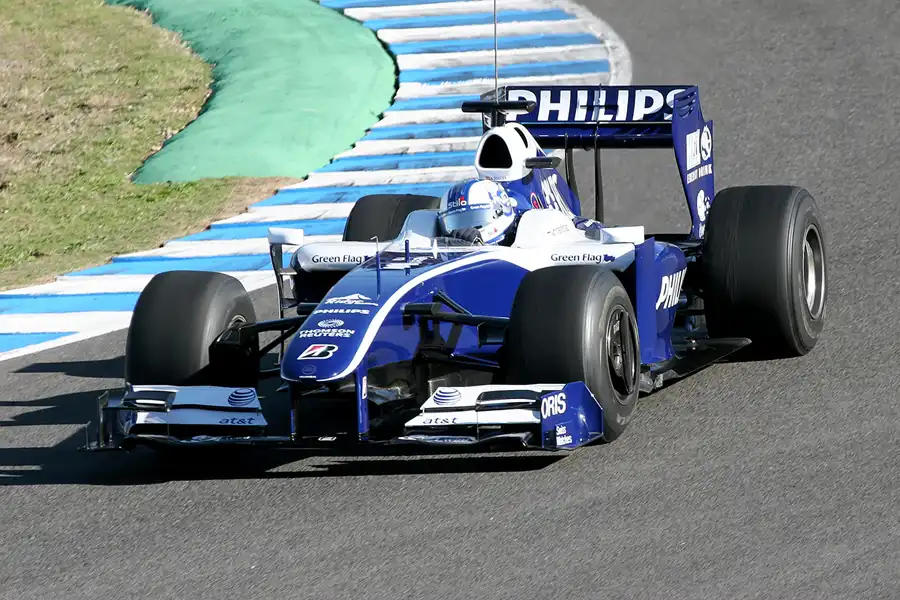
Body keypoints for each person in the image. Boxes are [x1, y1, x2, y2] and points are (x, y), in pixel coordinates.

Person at [438, 177, 602, 245]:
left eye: (473, 218)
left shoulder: (536, 229)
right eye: (457, 221)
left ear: (499, 211)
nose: (465, 229)